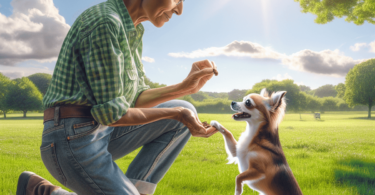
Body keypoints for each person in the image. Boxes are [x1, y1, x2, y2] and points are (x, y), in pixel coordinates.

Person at [16, 0, 219, 194]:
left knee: (185, 110)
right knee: (180, 113)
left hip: (101, 130)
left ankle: (40, 190)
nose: (179, 10)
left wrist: (185, 88)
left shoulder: (133, 29)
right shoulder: (105, 23)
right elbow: (113, 115)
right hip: (71, 139)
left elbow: (133, 100)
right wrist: (178, 114)